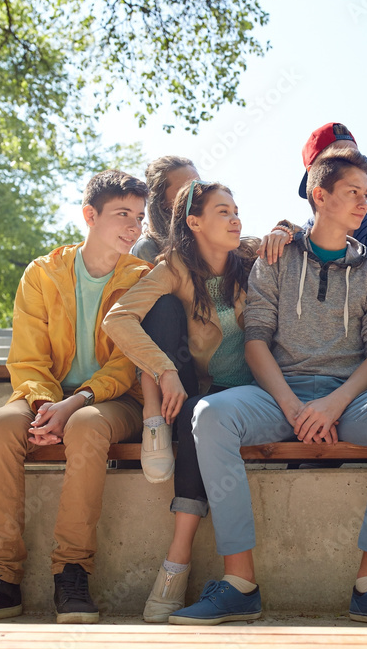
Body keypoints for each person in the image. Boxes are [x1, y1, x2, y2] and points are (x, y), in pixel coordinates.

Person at [169, 147, 367, 627]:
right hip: (276, 395)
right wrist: (293, 408)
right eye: (353, 193)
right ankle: (239, 584)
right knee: (210, 414)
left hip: (347, 399)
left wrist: (333, 405)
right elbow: (255, 343)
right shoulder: (276, 256)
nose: (364, 204)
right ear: (320, 195)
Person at [0, 170, 153, 624]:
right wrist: (41, 407)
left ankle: (72, 571)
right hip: (45, 396)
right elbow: (28, 357)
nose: (134, 228)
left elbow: (127, 362)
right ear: (89, 215)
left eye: (139, 217)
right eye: (122, 215)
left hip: (113, 401)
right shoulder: (43, 274)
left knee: (87, 424)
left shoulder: (142, 277)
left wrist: (73, 404)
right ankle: (0, 578)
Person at [102, 181, 259, 622]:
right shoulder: (174, 265)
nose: (235, 219)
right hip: (197, 389)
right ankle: (178, 560)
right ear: (194, 222)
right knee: (162, 311)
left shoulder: (252, 258)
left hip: (253, 393)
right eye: (223, 211)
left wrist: (284, 230)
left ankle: (178, 556)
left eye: (236, 211)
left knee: (200, 414)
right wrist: (164, 369)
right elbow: (119, 319)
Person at [258, 122, 367, 276]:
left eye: (354, 156)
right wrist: (286, 231)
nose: (349, 164)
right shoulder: (299, 243)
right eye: (338, 159)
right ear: (314, 174)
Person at [133, 155, 200, 262]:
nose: (197, 192)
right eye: (185, 188)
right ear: (161, 201)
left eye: (199, 185)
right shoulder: (147, 248)